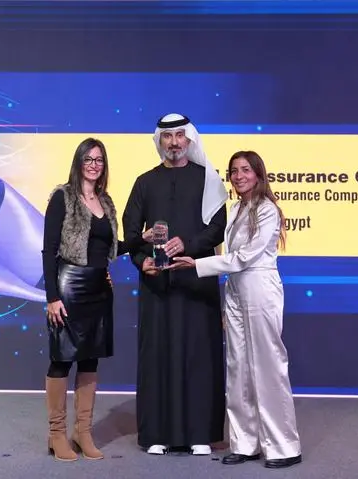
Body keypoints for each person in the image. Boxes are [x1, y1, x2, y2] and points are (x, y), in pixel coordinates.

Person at [168, 150, 302, 469]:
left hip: (260, 288)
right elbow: (234, 258)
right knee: (238, 367)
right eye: (234, 171)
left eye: (245, 170)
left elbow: (245, 257)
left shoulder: (267, 210)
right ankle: (245, 443)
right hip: (236, 290)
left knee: (267, 366)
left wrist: (198, 263)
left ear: (258, 174)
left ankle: (283, 446)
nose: (239, 176)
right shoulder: (237, 208)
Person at [121, 113, 228, 456]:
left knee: (199, 355)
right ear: (160, 141)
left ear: (189, 140)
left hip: (197, 284)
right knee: (158, 355)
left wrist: (188, 245)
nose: (174, 143)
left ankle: (200, 433)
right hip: (158, 287)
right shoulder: (144, 183)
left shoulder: (208, 180)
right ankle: (157, 433)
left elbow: (217, 228)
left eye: (180, 136)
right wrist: (142, 261)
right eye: (167, 137)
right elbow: (131, 232)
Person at [41, 137, 152, 462]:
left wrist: (140, 240)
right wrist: (52, 297)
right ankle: (57, 434)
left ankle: (83, 431)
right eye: (88, 159)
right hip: (69, 288)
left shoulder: (106, 201)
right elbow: (49, 250)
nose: (94, 165)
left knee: (90, 359)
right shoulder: (62, 197)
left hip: (99, 289)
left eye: (99, 160)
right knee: (62, 359)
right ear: (78, 162)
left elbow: (109, 248)